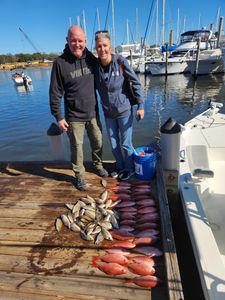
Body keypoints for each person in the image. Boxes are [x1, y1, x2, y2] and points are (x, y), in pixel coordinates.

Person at [49, 26, 108, 191]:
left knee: (98, 141)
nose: (77, 44)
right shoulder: (60, 63)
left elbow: (106, 73)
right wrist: (59, 117)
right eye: (73, 40)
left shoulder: (91, 59)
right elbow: (55, 92)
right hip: (74, 116)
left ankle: (98, 165)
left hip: (93, 113)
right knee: (77, 148)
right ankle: (79, 176)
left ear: (85, 41)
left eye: (80, 41)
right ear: (67, 41)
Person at [94, 30, 145, 180]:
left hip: (124, 111)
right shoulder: (95, 66)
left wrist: (141, 106)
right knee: (114, 144)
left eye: (105, 45)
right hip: (108, 113)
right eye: (99, 46)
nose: (102, 49)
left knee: (126, 144)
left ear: (110, 46)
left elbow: (136, 82)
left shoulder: (120, 61)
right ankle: (120, 166)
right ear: (95, 48)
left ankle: (129, 169)